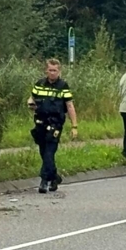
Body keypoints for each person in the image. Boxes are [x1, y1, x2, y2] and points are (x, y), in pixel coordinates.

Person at [27, 59, 78, 193]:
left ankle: (44, 181)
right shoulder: (39, 84)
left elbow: (69, 105)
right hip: (40, 123)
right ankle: (54, 177)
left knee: (50, 151)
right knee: (43, 152)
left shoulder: (63, 86)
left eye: (55, 70)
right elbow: (31, 98)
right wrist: (30, 104)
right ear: (46, 70)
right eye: (50, 70)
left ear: (59, 71)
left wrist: (74, 126)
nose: (52, 73)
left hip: (55, 124)